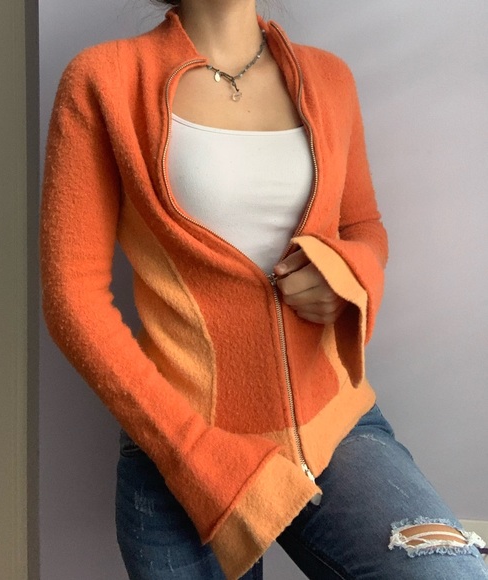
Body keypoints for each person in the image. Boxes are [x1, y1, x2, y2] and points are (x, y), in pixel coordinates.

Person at [39, 1, 488, 578]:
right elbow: (72, 296)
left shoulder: (329, 77)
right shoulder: (104, 78)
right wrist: (192, 452)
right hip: (179, 445)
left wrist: (347, 275)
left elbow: (363, 226)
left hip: (335, 427)